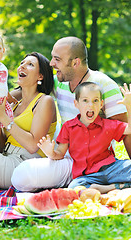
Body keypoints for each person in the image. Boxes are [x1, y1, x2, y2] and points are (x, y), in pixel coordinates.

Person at [11, 36, 130, 192]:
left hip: (98, 162)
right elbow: (32, 86)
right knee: (21, 175)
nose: (51, 64)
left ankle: (102, 183)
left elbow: (126, 131)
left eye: (57, 59)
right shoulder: (59, 82)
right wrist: (1, 99)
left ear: (75, 63)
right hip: (66, 158)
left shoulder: (105, 85)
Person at [0, 52, 57, 189]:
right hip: (4, 156)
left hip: (22, 166)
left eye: (30, 64)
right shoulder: (14, 104)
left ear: (40, 76)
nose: (22, 66)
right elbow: (3, 140)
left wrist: (3, 118)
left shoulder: (45, 101)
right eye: (22, 63)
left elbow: (33, 145)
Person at [37, 82, 131, 194]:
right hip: (88, 176)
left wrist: (129, 106)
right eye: (85, 100)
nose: (90, 105)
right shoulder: (68, 127)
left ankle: (106, 188)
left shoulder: (108, 125)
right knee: (74, 188)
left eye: (95, 101)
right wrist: (50, 153)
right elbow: (60, 154)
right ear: (76, 104)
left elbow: (129, 130)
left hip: (111, 169)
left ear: (101, 104)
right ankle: (117, 187)